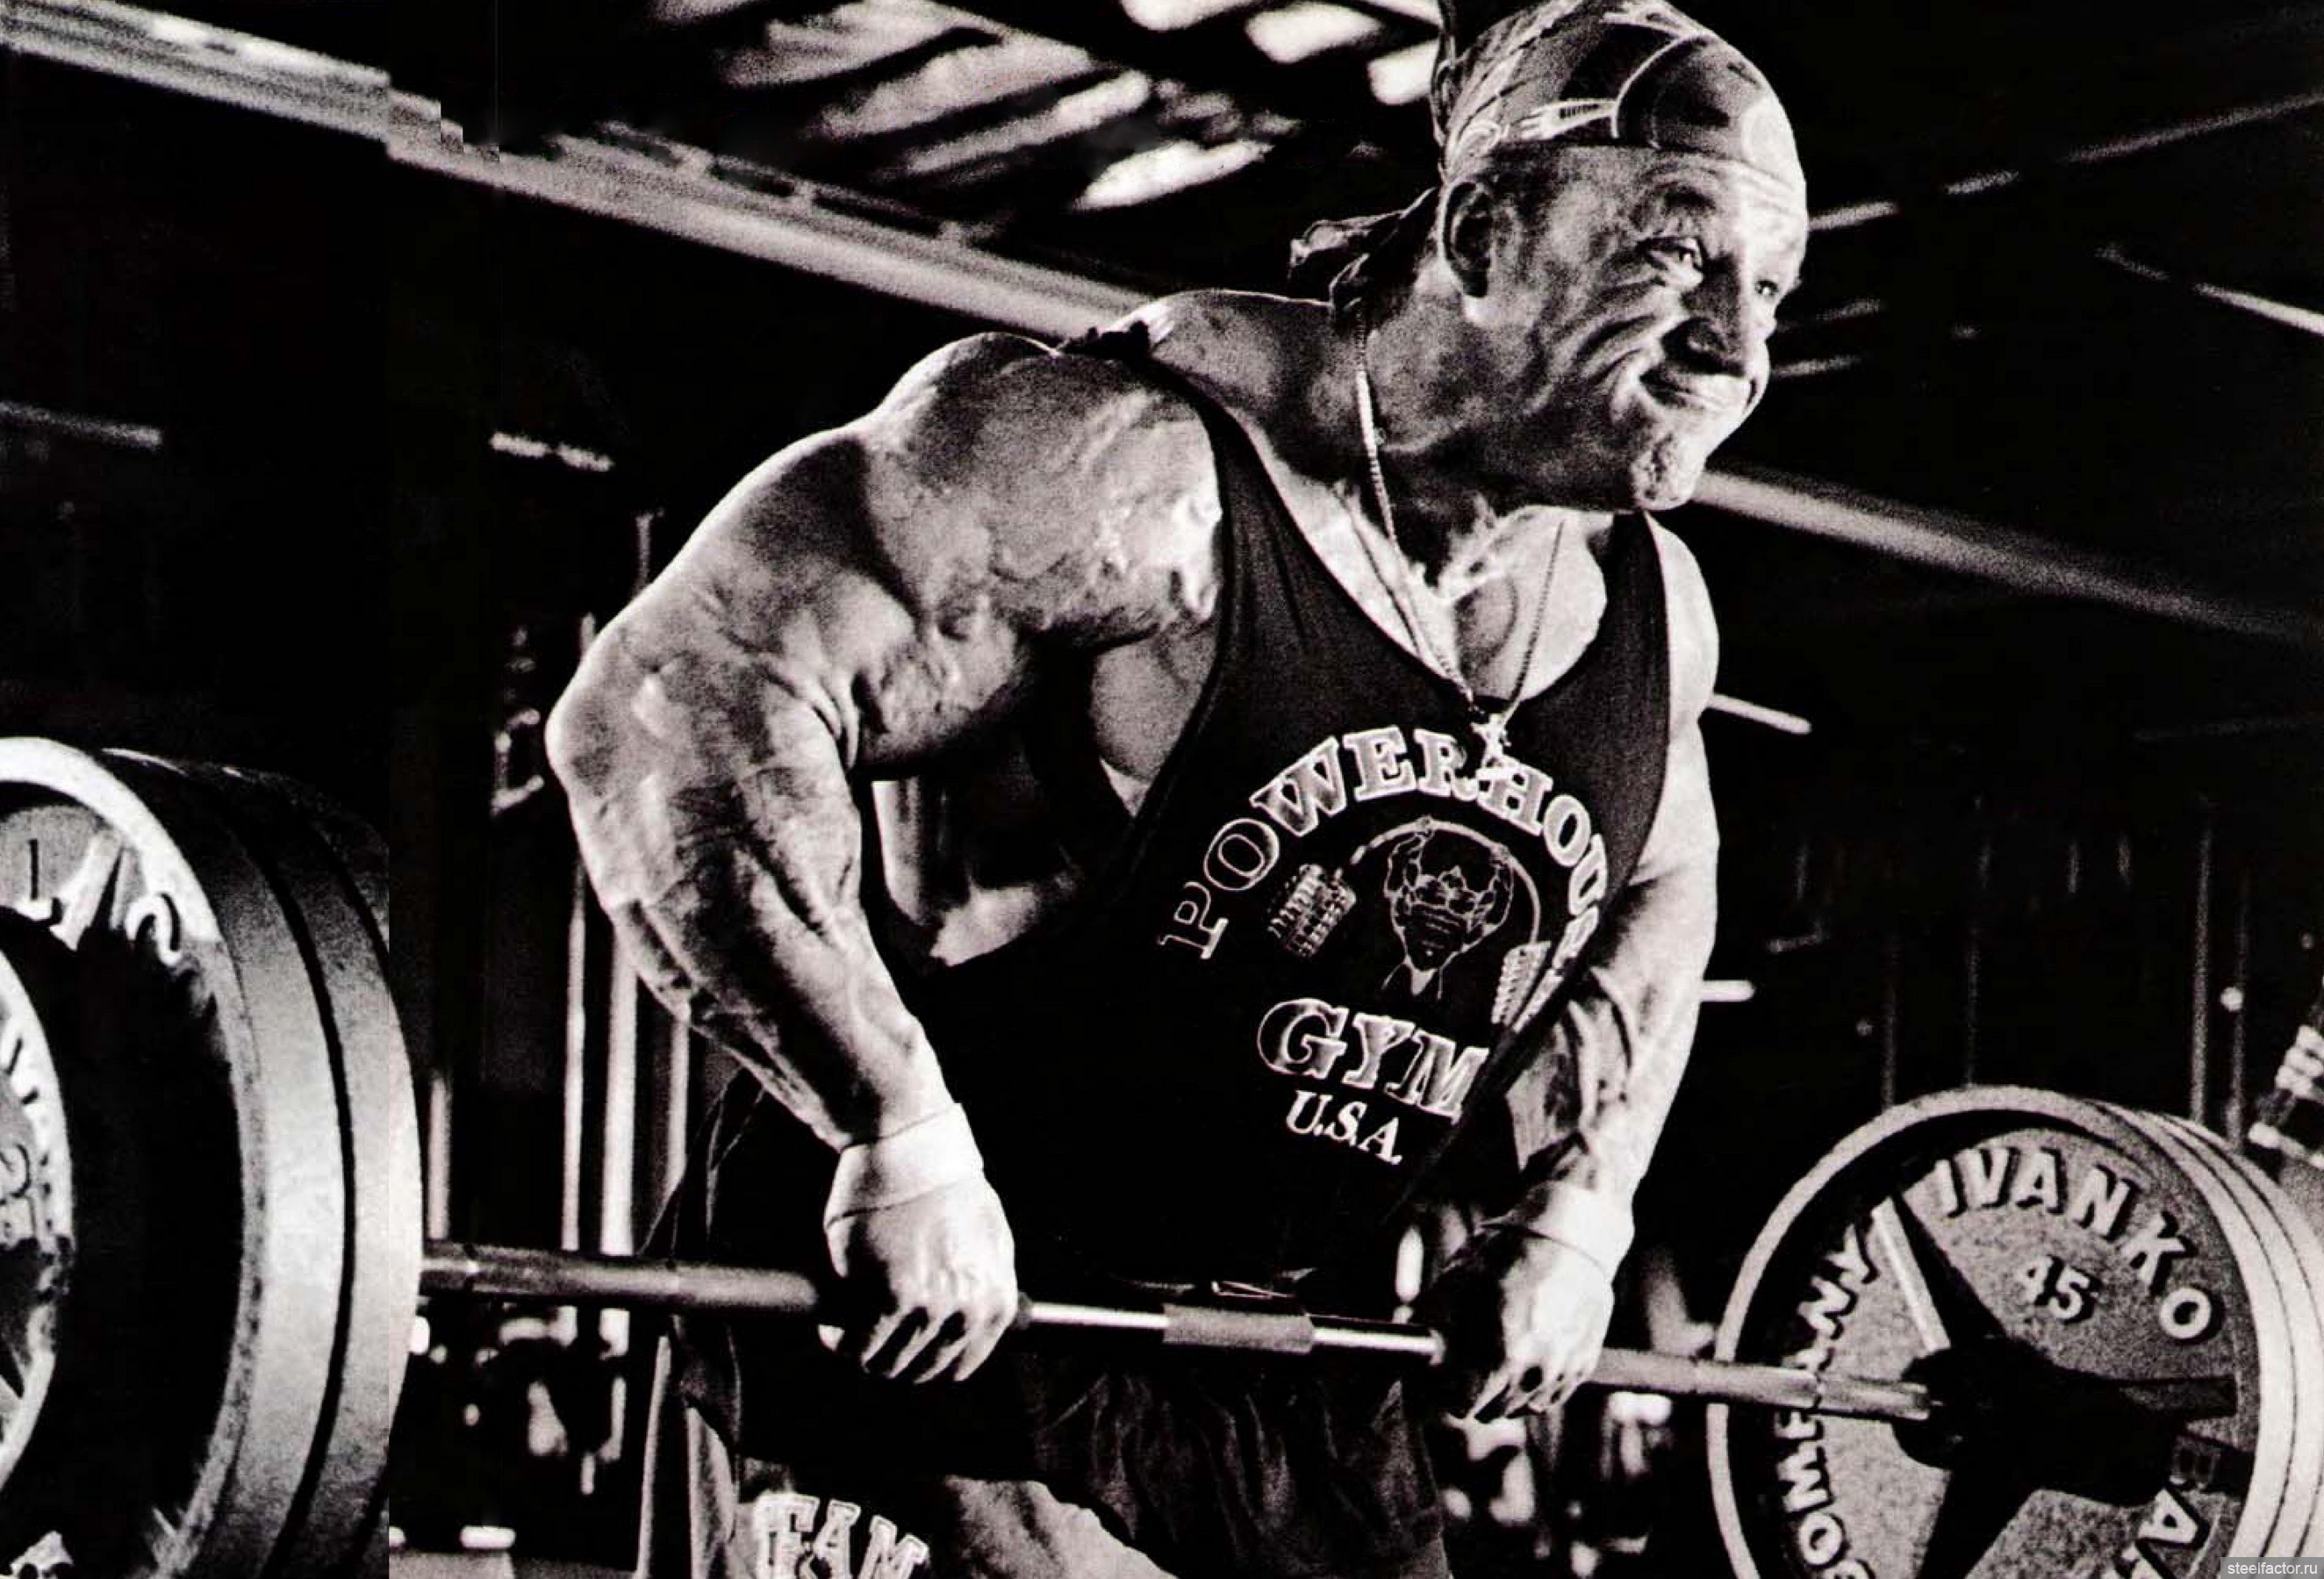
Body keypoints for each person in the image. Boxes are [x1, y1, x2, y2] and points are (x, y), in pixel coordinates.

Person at [550, 1, 1808, 1572]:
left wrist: (1577, 1209)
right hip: (953, 1315)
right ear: (1482, 234)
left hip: (1292, 1367)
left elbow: (1665, 880)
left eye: (1772, 290)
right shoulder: (1128, 471)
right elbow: (673, 703)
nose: (1738, 350)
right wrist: (894, 1129)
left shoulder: (1649, 608)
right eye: (1677, 259)